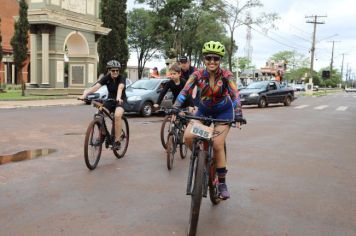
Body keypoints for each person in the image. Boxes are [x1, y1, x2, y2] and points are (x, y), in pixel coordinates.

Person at [173, 41, 243, 200]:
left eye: (216, 58)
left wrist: (238, 113)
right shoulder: (197, 75)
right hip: (203, 110)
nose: (212, 61)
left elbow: (235, 95)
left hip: (223, 112)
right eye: (208, 58)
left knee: (218, 144)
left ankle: (222, 182)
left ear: (220, 60)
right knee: (188, 136)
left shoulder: (227, 76)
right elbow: (185, 91)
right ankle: (203, 157)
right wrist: (176, 107)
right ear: (204, 59)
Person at [79, 60, 126, 149]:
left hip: (121, 100)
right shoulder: (106, 78)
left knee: (117, 115)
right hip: (110, 100)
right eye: (113, 70)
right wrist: (85, 94)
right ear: (109, 70)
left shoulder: (121, 78)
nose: (115, 72)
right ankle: (103, 134)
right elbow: (96, 87)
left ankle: (117, 141)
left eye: (117, 70)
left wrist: (119, 97)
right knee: (98, 115)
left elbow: (120, 87)